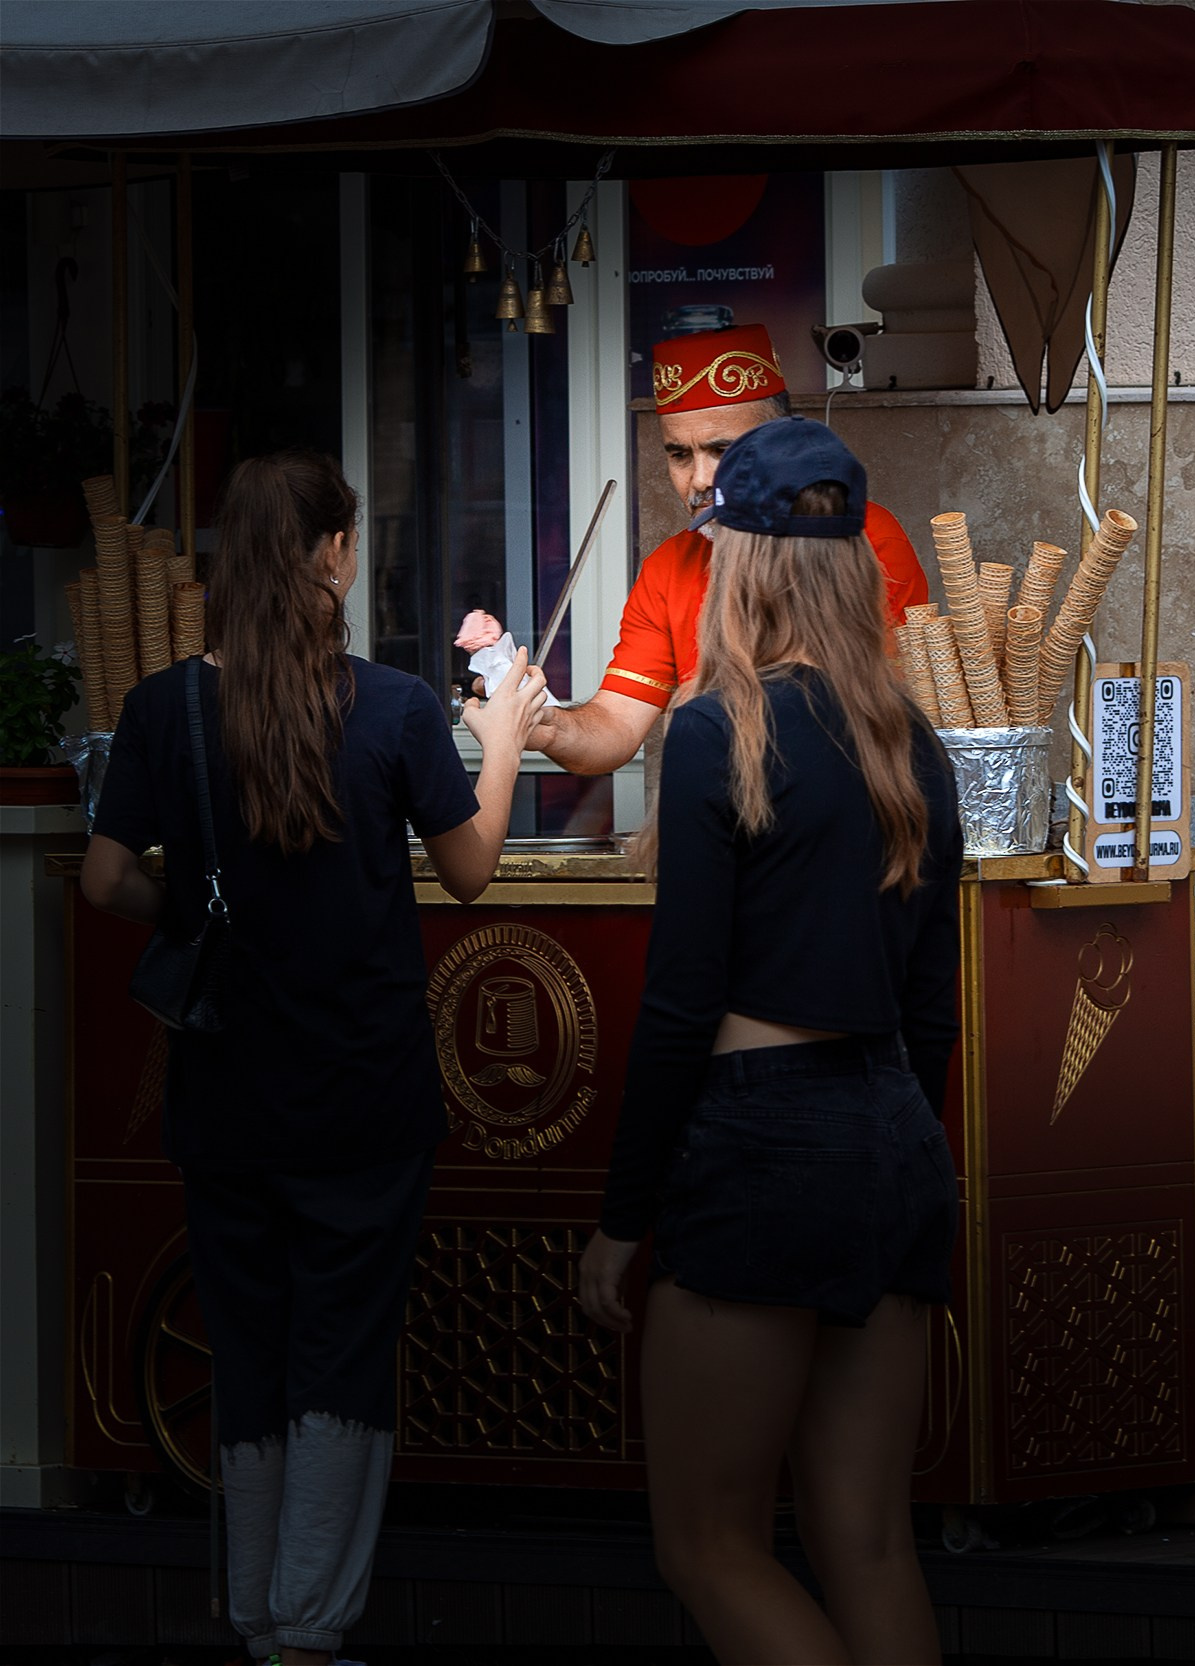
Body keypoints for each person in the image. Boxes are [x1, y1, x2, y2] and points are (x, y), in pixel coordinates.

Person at [82, 451, 547, 1666]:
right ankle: (306, 1628)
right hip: (363, 1091)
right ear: (338, 552)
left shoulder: (162, 707)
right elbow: (471, 867)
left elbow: (103, 876)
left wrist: (199, 912)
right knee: (342, 1347)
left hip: (221, 1090)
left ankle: (253, 1610)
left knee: (248, 1344)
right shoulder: (392, 708)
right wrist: (497, 732)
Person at [575, 417, 962, 1662]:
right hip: (893, 1137)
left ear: (737, 563)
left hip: (760, 1146)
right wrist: (904, 1156)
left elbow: (682, 1007)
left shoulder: (715, 734)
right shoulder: (919, 746)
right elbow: (934, 1006)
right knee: (870, 1538)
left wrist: (621, 1222)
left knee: (709, 1543)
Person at [527, 323, 931, 775]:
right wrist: (546, 725)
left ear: (780, 441)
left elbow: (877, 701)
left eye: (723, 450)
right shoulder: (668, 567)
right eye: (680, 455)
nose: (699, 480)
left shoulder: (859, 535)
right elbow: (617, 725)